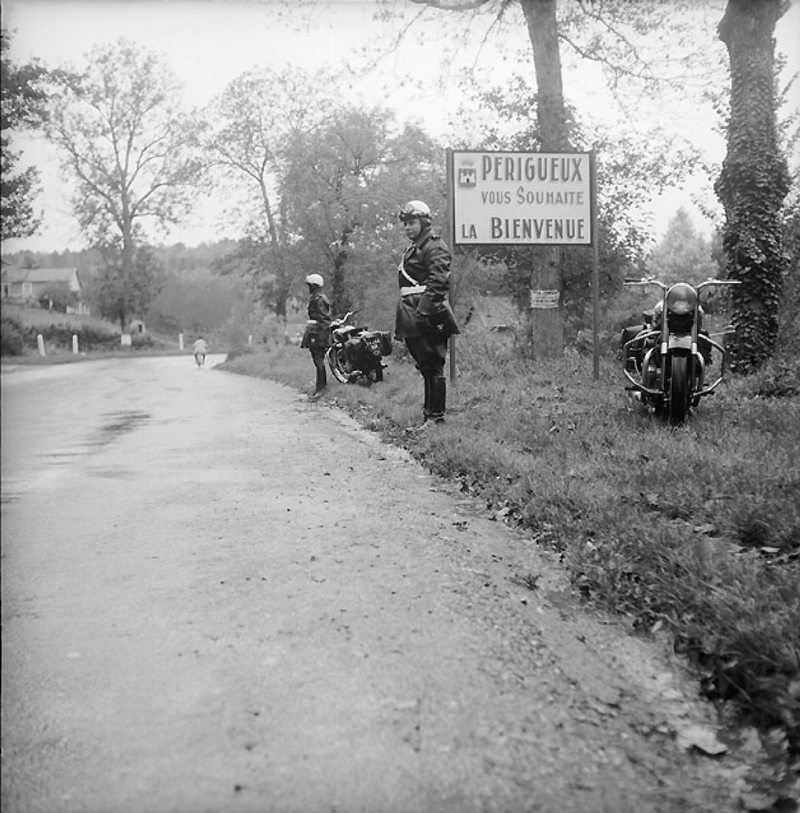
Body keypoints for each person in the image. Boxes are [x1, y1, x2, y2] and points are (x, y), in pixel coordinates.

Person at [395, 200, 459, 430]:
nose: (407, 228)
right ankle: (428, 416)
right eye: (405, 224)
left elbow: (439, 282)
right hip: (412, 310)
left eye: (412, 222)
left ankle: (436, 418)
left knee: (433, 364)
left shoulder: (434, 246)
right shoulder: (416, 247)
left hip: (428, 312)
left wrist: (422, 313)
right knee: (425, 366)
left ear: (424, 222)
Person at [300, 273, 331, 400]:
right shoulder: (318, 298)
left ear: (314, 286)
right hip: (317, 332)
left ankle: (321, 388)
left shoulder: (318, 299)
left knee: (318, 361)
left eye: (309, 286)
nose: (308, 288)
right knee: (317, 360)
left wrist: (322, 337)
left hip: (318, 334)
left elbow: (324, 319)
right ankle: (320, 387)